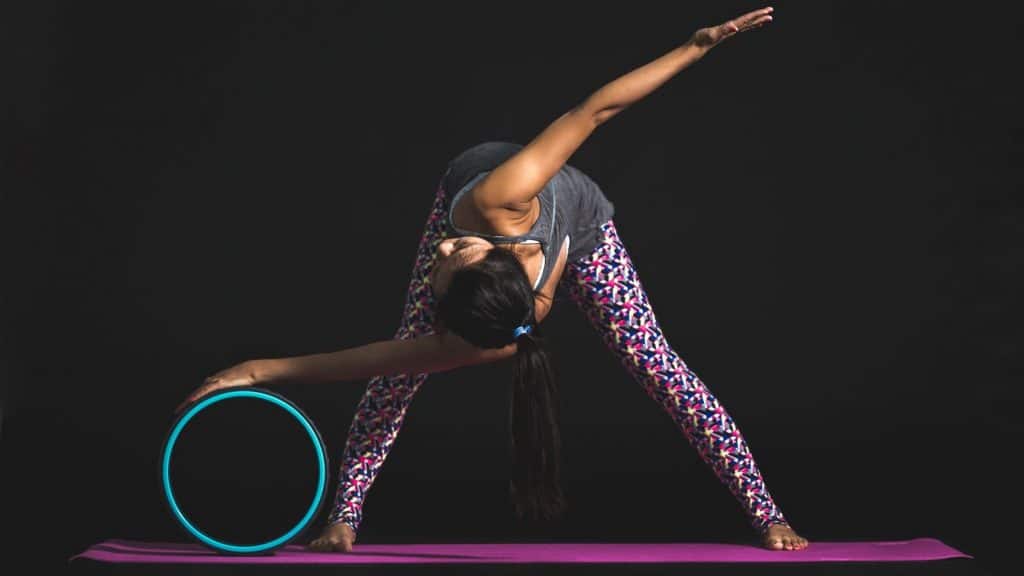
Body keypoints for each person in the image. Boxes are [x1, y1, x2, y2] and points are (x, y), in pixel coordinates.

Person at [176, 6, 809, 552]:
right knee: (401, 370)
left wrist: (694, 47)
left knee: (659, 367)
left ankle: (767, 511)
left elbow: (594, 112)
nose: (439, 248)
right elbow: (376, 360)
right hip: (506, 230)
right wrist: (259, 371)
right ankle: (345, 515)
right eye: (449, 259)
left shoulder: (501, 235)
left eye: (444, 260)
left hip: (580, 231)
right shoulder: (496, 253)